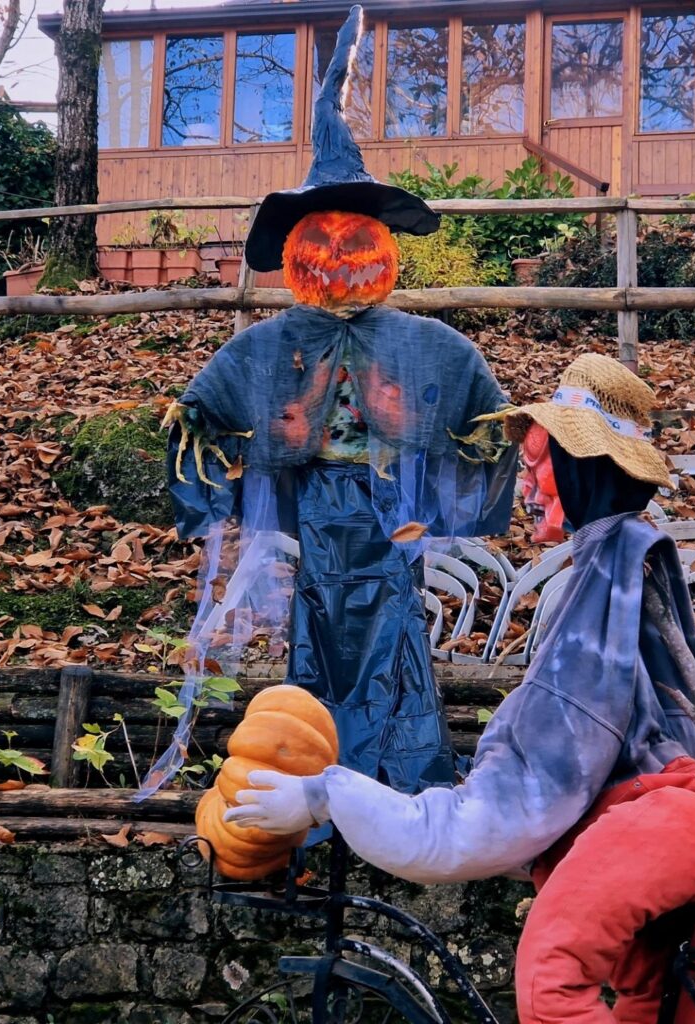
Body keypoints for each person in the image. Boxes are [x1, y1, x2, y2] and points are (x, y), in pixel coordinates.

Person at [225, 353, 695, 1024]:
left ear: (582, 468)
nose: (526, 487)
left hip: (652, 824)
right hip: (669, 814)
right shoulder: (616, 565)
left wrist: (326, 795)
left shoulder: (603, 584)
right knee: (658, 1000)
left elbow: (531, 778)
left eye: (537, 465)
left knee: (551, 977)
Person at [142, 5, 515, 798]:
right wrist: (215, 459)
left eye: (357, 239)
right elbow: (202, 410)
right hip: (316, 504)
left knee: (393, 626)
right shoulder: (271, 343)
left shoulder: (423, 343)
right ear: (296, 249)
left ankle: (396, 780)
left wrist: (478, 446)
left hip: (391, 504)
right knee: (318, 629)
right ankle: (322, 774)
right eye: (322, 239)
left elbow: (482, 409)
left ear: (382, 246)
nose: (339, 254)